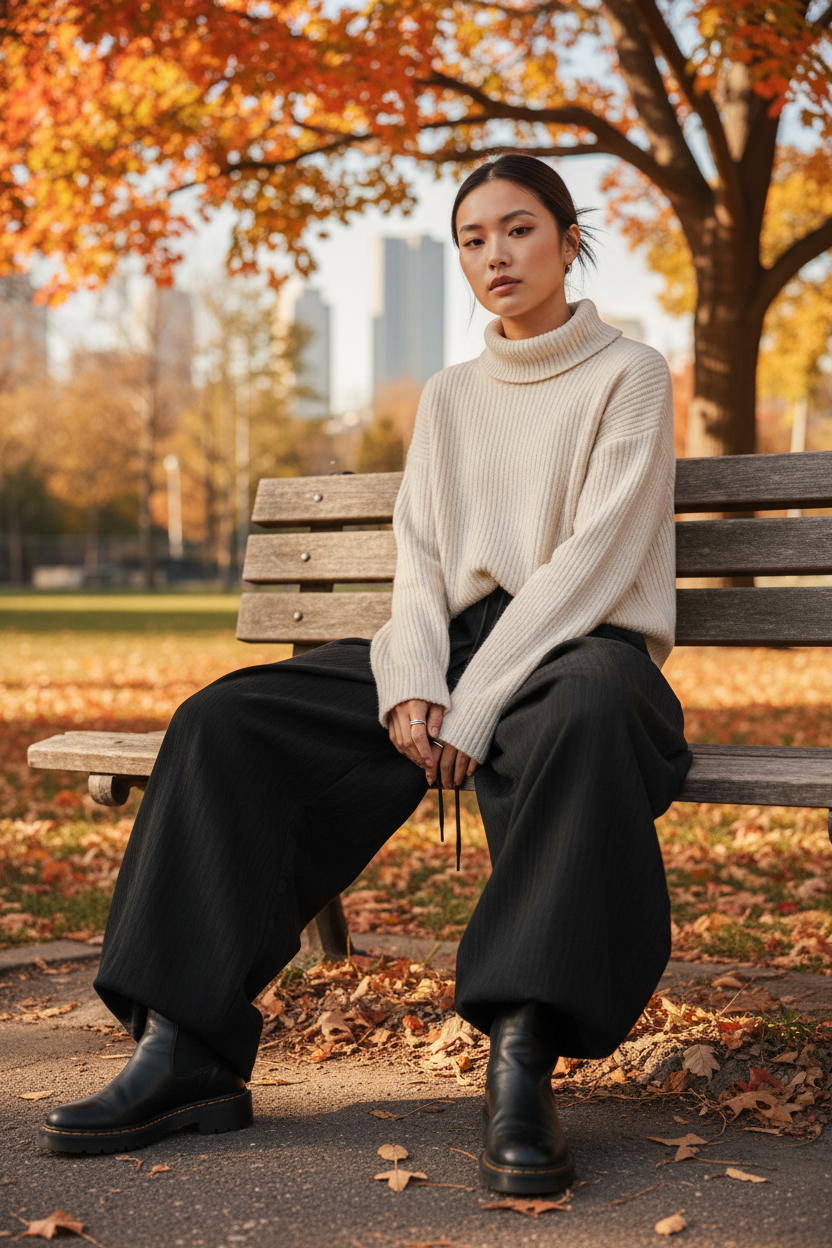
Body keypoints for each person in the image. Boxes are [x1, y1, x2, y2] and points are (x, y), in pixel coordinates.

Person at [39, 153, 691, 1196]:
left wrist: (478, 700)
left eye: (519, 229)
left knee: (585, 709)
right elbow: (421, 558)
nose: (495, 254)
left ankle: (522, 1055)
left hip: (580, 647)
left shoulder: (631, 373)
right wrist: (413, 678)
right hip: (454, 646)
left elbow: (595, 561)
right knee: (225, 720)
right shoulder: (451, 394)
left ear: (570, 242)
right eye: (472, 239)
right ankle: (183, 1048)